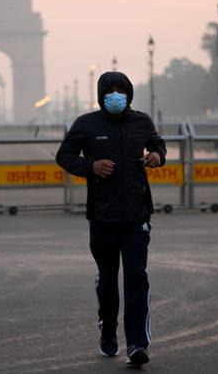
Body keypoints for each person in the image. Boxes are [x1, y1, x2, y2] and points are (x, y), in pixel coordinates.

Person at [56, 71, 166, 366]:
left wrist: (157, 155)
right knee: (108, 279)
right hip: (103, 217)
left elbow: (158, 145)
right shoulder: (86, 124)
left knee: (135, 277)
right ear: (101, 94)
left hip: (136, 215)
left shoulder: (142, 121)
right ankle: (108, 330)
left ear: (129, 93)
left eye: (121, 90)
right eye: (110, 90)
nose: (116, 95)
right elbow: (64, 156)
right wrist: (91, 166)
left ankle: (137, 344)